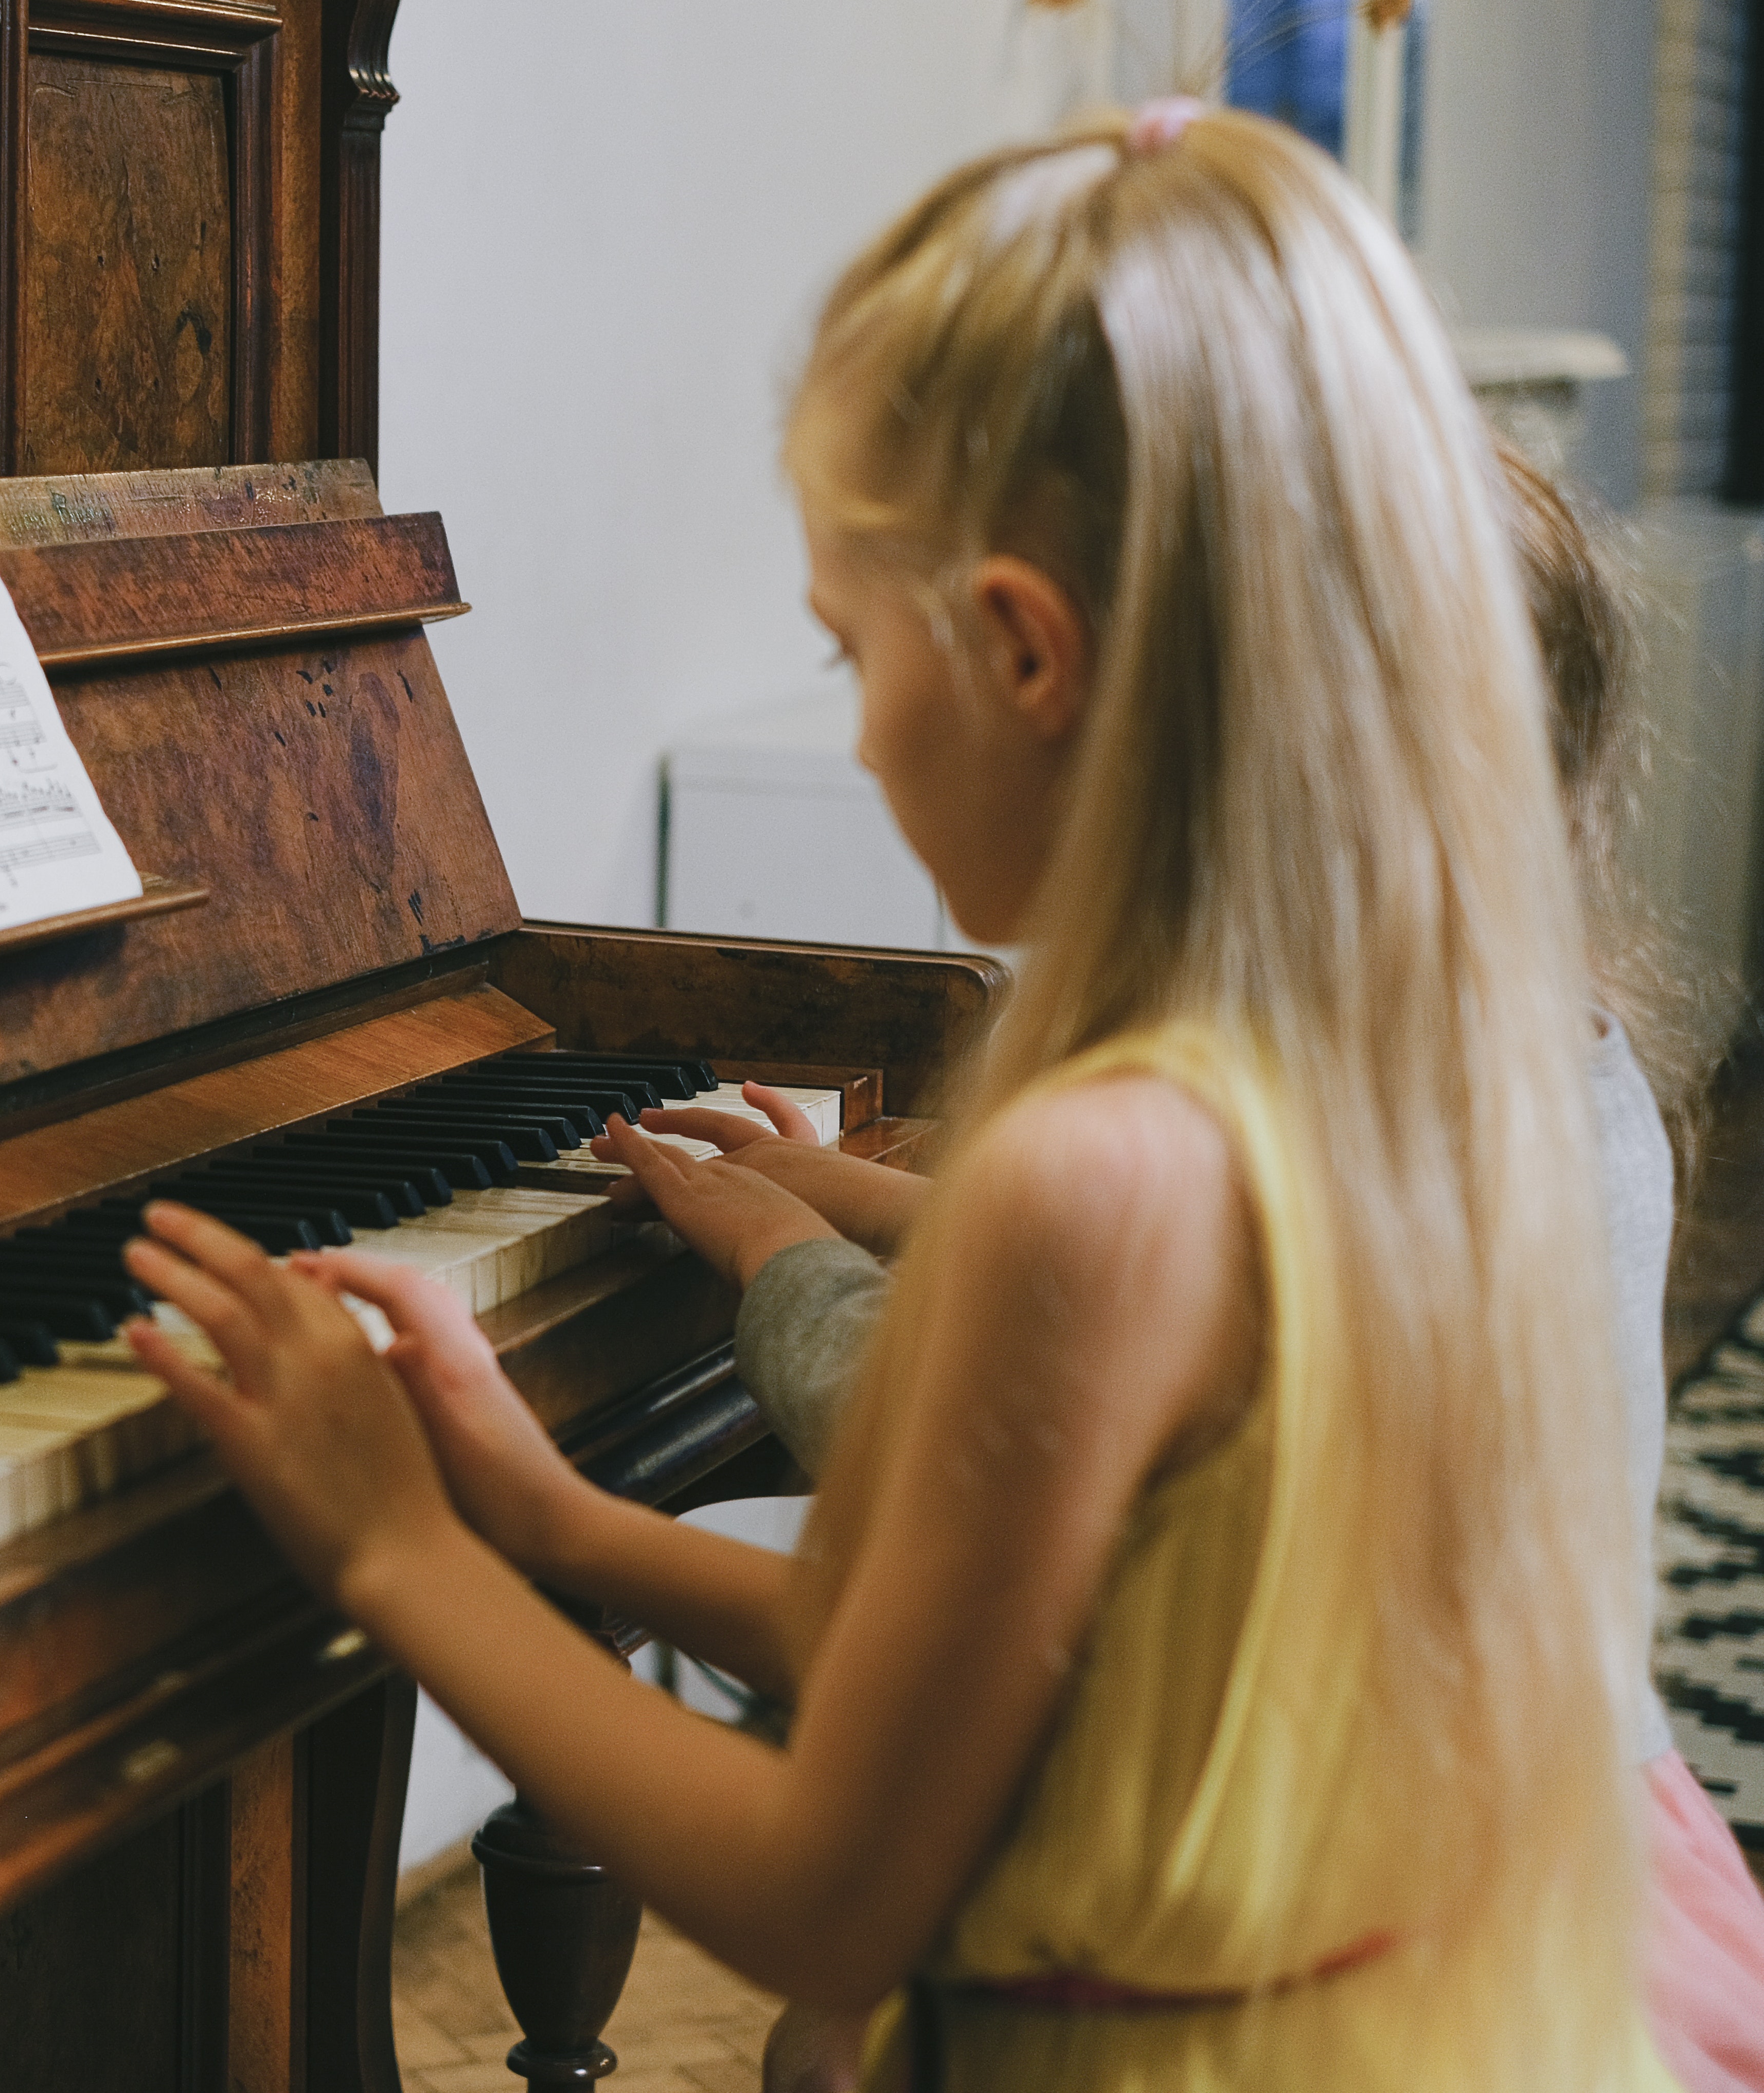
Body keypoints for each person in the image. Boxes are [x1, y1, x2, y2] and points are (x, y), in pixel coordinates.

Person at [116, 100, 1681, 2089]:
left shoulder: (1098, 1176)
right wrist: (535, 1505)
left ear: (1025, 650)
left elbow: (824, 1894)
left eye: (853, 651)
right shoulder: (1426, 1072)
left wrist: (393, 1553)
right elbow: (951, 1645)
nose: (852, 732)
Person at [699, 449, 1764, 2090]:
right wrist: (850, 1185)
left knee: (830, 2050)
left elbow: (950, 1444)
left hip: (1335, 1916)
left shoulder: (1299, 1124)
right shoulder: (1564, 1065)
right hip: (1585, 1833)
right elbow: (1222, 1303)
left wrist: (779, 1249)